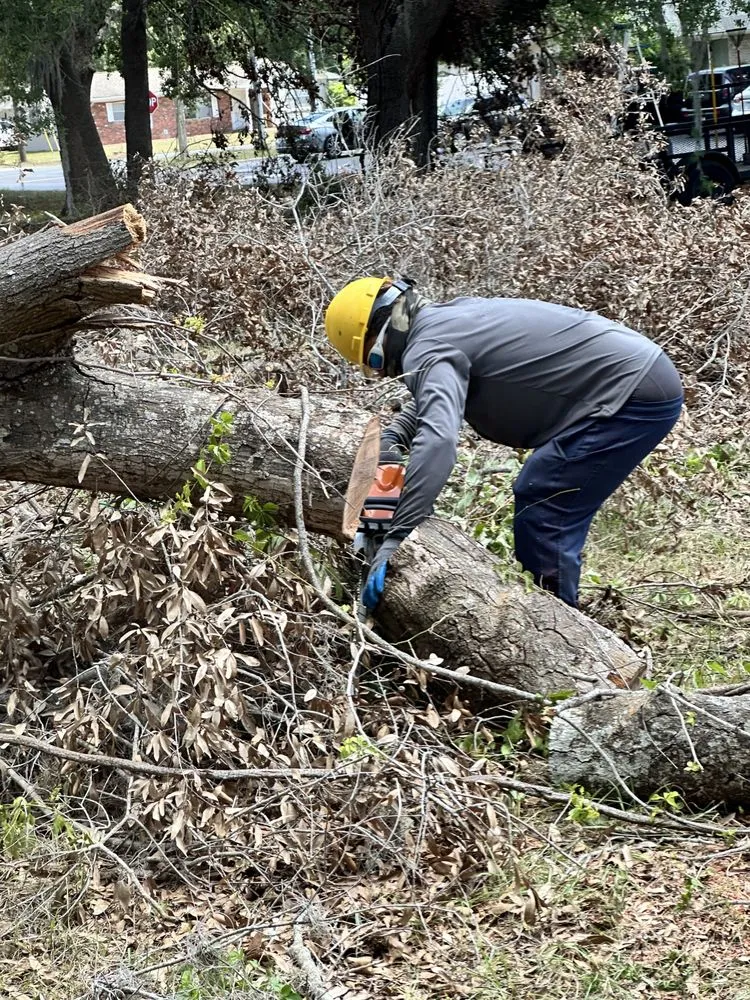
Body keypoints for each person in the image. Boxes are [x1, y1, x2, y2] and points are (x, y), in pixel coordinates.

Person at [324, 276, 683, 612]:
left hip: (632, 394)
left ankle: (558, 628)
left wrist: (397, 538)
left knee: (546, 496)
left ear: (378, 341)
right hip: (637, 375)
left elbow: (439, 441)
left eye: (378, 364)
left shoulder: (426, 347)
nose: (389, 372)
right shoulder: (443, 319)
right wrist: (396, 432)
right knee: (545, 488)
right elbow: (439, 387)